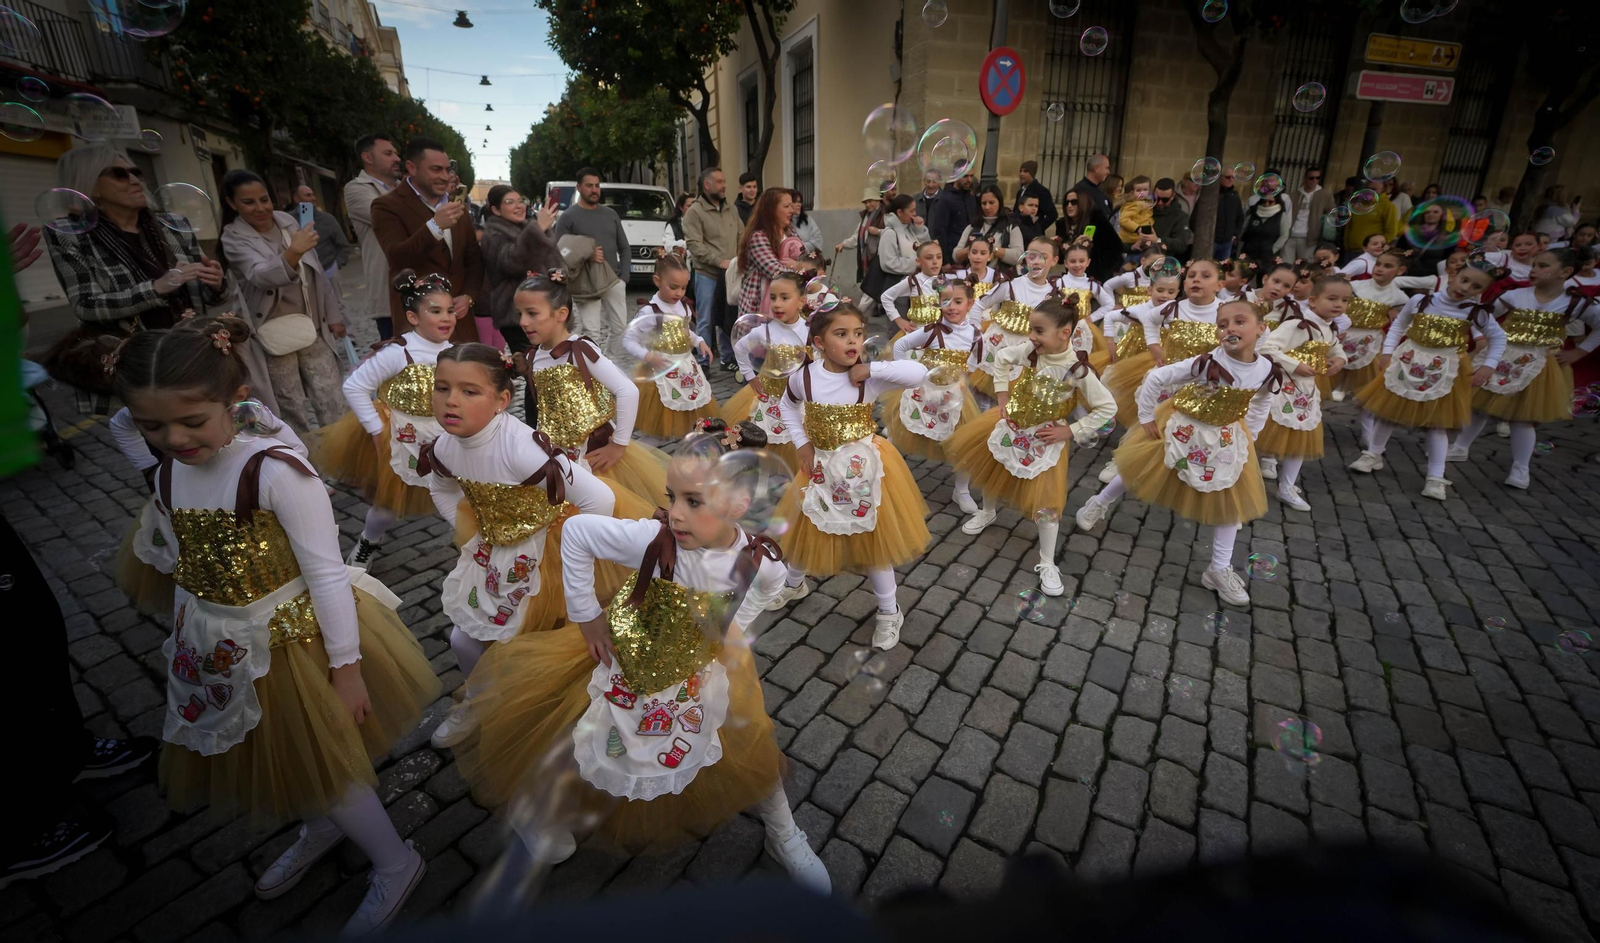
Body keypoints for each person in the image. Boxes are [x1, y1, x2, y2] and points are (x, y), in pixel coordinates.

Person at [111, 314, 439, 933]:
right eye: (154, 425)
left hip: (295, 645)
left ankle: (396, 862)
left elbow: (327, 575)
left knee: (328, 760)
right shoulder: (167, 470)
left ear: (234, 402)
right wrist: (141, 415)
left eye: (191, 420)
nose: (174, 438)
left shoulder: (275, 472)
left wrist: (346, 669)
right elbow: (122, 427)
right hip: (221, 643)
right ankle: (320, 825)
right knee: (289, 759)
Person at [452, 419, 829, 889]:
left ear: (739, 504)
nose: (676, 514)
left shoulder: (761, 561)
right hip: (623, 658)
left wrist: (731, 632)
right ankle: (541, 814)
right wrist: (586, 613)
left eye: (694, 502)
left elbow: (764, 590)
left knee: (747, 742)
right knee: (574, 734)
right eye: (672, 497)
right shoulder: (652, 540)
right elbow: (578, 535)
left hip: (702, 666)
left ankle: (783, 831)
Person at [421, 343, 626, 748]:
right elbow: (440, 487)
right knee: (463, 638)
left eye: (468, 391)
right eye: (442, 388)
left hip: (549, 548)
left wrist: (574, 559)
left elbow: (599, 499)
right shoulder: (445, 446)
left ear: (501, 401)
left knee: (549, 640)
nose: (451, 401)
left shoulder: (522, 449)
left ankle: (565, 716)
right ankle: (479, 700)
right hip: (498, 551)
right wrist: (474, 532)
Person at [1074, 300, 1279, 609]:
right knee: (1141, 470)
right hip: (1184, 430)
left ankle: (1219, 569)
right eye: (1223, 324)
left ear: (1261, 328)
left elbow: (1262, 402)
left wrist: (1252, 436)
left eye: (1240, 322)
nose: (1230, 329)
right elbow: (1157, 378)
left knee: (1229, 500)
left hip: (1225, 437)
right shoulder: (1205, 362)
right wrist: (1145, 417)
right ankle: (1098, 503)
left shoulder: (1266, 370)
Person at [768, 302, 931, 650]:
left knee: (873, 542)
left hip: (864, 473)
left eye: (858, 333)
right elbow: (787, 405)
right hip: (821, 467)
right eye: (841, 334)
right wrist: (801, 444)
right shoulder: (805, 377)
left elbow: (919, 375)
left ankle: (890, 610)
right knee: (806, 527)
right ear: (819, 342)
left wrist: (871, 368)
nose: (852, 341)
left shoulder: (865, 377)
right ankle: (795, 582)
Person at [946, 296, 1116, 598]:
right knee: (994, 468)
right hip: (1012, 427)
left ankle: (1048, 560)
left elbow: (1107, 407)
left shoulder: (1078, 370)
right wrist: (1001, 395)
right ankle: (988, 511)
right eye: (1031, 330)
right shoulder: (1031, 352)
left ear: (1064, 333)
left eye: (1039, 331)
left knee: (1047, 501)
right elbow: (1002, 358)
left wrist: (1071, 430)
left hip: (1045, 440)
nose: (1031, 337)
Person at [40, 144, 231, 385]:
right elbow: (86, 305)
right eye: (119, 174)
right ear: (89, 184)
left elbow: (208, 296)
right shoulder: (69, 233)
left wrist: (215, 283)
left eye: (135, 173)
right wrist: (156, 288)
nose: (133, 180)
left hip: (191, 350)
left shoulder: (173, 224)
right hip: (133, 363)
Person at [315, 270, 456, 568]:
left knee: (458, 493)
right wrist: (377, 430)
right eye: (435, 311)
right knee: (388, 505)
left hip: (441, 436)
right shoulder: (398, 353)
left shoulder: (455, 353)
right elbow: (355, 386)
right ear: (413, 317)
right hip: (400, 438)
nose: (446, 318)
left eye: (450, 310)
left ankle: (473, 543)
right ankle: (368, 541)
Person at [1349, 262, 1504, 501]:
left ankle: (1435, 476)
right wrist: (1388, 352)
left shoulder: (1477, 312)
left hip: (1445, 368)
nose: (1466, 288)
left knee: (1437, 423)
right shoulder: (1422, 301)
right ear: (1452, 276)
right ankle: (1373, 454)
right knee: (1387, 412)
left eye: (1476, 286)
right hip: (1408, 360)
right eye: (1464, 280)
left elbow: (1498, 338)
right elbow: (1399, 324)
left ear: (1482, 291)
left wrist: (1488, 365)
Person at [1448, 248, 1600, 488]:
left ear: (1566, 272)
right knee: (1478, 406)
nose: (1534, 270)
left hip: (1539, 365)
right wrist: (1483, 338)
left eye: (1543, 266)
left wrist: (1579, 352)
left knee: (1523, 419)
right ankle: (1459, 447)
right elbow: (1482, 316)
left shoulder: (1576, 303)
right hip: (1503, 357)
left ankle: (1521, 468)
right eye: (1534, 265)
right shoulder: (1516, 295)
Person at [219, 169, 347, 434]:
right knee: (290, 407)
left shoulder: (288, 222)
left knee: (331, 397)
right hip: (271, 335)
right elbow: (260, 275)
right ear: (231, 203)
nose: (260, 208)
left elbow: (318, 275)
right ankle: (300, 462)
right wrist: (293, 252)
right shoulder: (233, 238)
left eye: (264, 199)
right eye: (248, 202)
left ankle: (343, 461)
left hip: (312, 326)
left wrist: (334, 316)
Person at [370, 136, 482, 344]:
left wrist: (468, 296)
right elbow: (397, 257)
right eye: (436, 169)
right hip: (418, 325)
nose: (445, 176)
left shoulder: (456, 206)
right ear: (412, 168)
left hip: (461, 322)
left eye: (448, 170)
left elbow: (473, 259)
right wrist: (435, 226)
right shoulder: (386, 205)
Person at [1255, 275, 1349, 511]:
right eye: (1332, 298)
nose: (1338, 304)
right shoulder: (1298, 324)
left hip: (1305, 394)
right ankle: (1247, 479)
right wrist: (1294, 365)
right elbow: (1267, 347)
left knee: (1301, 438)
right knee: (1259, 437)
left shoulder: (1328, 328)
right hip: (1281, 390)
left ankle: (1286, 486)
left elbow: (1335, 347)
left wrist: (1339, 359)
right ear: (1314, 301)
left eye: (1344, 300)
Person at [620, 253, 718, 440]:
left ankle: (686, 437)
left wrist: (699, 341)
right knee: (661, 409)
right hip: (660, 367)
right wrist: (647, 356)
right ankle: (659, 440)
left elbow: (685, 331)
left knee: (690, 399)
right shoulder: (650, 311)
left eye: (683, 287)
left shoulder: (684, 307)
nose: (679, 293)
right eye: (673, 287)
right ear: (657, 280)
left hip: (685, 365)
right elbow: (628, 339)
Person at [722, 272, 812, 470]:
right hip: (770, 397)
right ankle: (764, 475)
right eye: (773, 298)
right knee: (766, 436)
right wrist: (750, 377)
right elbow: (740, 348)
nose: (777, 304)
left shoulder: (811, 330)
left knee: (796, 439)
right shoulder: (766, 330)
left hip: (799, 400)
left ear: (801, 301)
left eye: (785, 298)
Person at [970, 236, 1064, 401]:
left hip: (1028, 353)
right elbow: (979, 304)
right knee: (983, 397)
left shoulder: (1055, 295)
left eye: (1043, 256)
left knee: (1015, 402)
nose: (1036, 261)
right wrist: (975, 331)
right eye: (1032, 255)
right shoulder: (1010, 285)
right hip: (996, 346)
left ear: (1055, 260)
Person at [553, 168, 631, 362]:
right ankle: (593, 370)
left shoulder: (610, 214)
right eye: (589, 186)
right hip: (585, 284)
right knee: (591, 331)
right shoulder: (568, 217)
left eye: (597, 186)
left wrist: (624, 278)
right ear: (579, 187)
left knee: (620, 328)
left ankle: (609, 363)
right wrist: (586, 253)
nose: (594, 190)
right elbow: (559, 252)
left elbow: (624, 247)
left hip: (613, 280)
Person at [480, 184, 561, 365]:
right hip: (516, 314)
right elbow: (513, 263)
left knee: (545, 368)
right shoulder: (493, 235)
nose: (519, 206)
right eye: (510, 202)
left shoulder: (525, 229)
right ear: (495, 209)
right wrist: (537, 229)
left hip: (544, 308)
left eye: (520, 201)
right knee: (535, 369)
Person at [343, 133, 404, 340]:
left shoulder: (404, 189)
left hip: (425, 294)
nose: (397, 158)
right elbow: (393, 218)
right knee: (401, 366)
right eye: (388, 153)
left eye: (396, 153)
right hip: (390, 296)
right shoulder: (356, 189)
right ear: (367, 158)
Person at [683, 167, 742, 372]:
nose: (724, 185)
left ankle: (727, 358)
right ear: (707, 185)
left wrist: (740, 259)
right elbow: (695, 246)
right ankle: (703, 361)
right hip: (707, 274)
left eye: (724, 181)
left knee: (729, 317)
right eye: (719, 182)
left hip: (732, 274)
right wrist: (719, 261)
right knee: (706, 319)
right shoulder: (695, 213)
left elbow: (741, 235)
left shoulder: (731, 209)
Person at [1335, 249, 1410, 404]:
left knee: (1364, 372)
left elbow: (1403, 324)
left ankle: (1353, 389)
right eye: (1378, 264)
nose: (1380, 269)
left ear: (1400, 270)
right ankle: (1337, 386)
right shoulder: (1355, 287)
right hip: (1345, 334)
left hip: (1370, 340)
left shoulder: (1399, 297)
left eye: (1387, 266)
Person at [735, 188, 798, 319]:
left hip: (787, 305)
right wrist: (797, 267)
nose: (792, 210)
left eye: (792, 206)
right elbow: (775, 270)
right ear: (771, 210)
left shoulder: (791, 233)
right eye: (786, 206)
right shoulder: (758, 236)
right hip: (758, 307)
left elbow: (807, 259)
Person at [955, 184, 1024, 270]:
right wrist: (972, 249)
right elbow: (956, 256)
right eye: (984, 203)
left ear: (1000, 202)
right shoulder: (972, 226)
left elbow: (1019, 257)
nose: (987, 207)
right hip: (975, 278)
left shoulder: (1011, 226)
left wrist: (993, 249)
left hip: (1001, 278)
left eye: (991, 203)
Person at [292, 184, 351, 278]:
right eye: (308, 195)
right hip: (301, 277)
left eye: (313, 194)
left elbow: (344, 246)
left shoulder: (327, 219)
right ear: (296, 199)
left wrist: (335, 266)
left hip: (327, 272)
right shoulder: (288, 220)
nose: (313, 198)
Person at [875, 193, 930, 281]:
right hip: (898, 285)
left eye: (915, 210)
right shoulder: (889, 234)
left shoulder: (910, 228)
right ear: (900, 212)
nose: (915, 214)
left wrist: (920, 230)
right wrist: (916, 263)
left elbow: (927, 250)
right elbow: (888, 263)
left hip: (915, 282)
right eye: (911, 211)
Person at [1284, 167, 1332, 264]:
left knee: (1305, 267)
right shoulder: (1293, 194)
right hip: (1290, 235)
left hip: (1310, 238)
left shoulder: (1325, 194)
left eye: (1317, 178)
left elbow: (1331, 212)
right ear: (1305, 178)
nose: (1314, 181)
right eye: (1311, 178)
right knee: (1286, 264)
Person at [929, 174, 975, 262]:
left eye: (971, 176)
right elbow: (940, 231)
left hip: (969, 254)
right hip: (951, 256)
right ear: (957, 175)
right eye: (965, 176)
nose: (969, 179)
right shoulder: (946, 199)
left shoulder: (971, 198)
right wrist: (945, 261)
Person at [1240, 192, 1289, 262]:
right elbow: (1243, 230)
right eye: (1264, 201)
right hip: (1249, 254)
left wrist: (1273, 249)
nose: (1267, 204)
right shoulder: (1253, 213)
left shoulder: (1281, 216)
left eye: (1270, 202)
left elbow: (1284, 235)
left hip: (1268, 256)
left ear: (1276, 202)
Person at [1151, 178, 1194, 259]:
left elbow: (1181, 244)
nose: (1160, 203)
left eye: (1165, 200)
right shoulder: (1145, 210)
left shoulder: (1180, 217)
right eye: (1156, 198)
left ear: (1172, 196)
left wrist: (1158, 240)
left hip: (1165, 259)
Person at [1014, 160, 1058, 235]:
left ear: (1032, 173)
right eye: (1021, 171)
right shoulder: (1020, 191)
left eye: (1025, 171)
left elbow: (1052, 214)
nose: (1022, 174)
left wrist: (1038, 227)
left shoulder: (1041, 191)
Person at [1212, 167, 1246, 261]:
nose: (1231, 179)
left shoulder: (1234, 196)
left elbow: (1240, 217)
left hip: (1227, 242)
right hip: (1212, 241)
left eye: (1233, 177)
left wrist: (1235, 234)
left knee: (1223, 269)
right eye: (1227, 177)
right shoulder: (1212, 195)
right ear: (1220, 178)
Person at [663, 190, 694, 256]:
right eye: (689, 206)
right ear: (681, 207)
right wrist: (686, 244)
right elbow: (668, 246)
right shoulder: (673, 225)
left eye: (695, 206)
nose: (693, 209)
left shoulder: (704, 223)